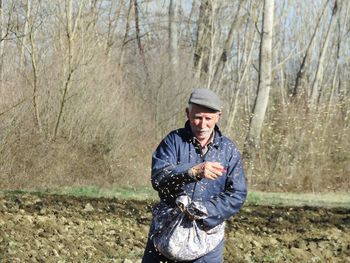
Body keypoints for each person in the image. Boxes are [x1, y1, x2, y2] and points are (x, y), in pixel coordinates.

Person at [142, 88, 247, 263]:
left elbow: (237, 194)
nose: (202, 124)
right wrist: (192, 172)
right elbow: (159, 177)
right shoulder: (174, 141)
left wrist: (207, 210)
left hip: (207, 236)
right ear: (187, 113)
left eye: (208, 118)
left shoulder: (228, 150)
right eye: (197, 117)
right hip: (167, 228)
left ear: (218, 117)